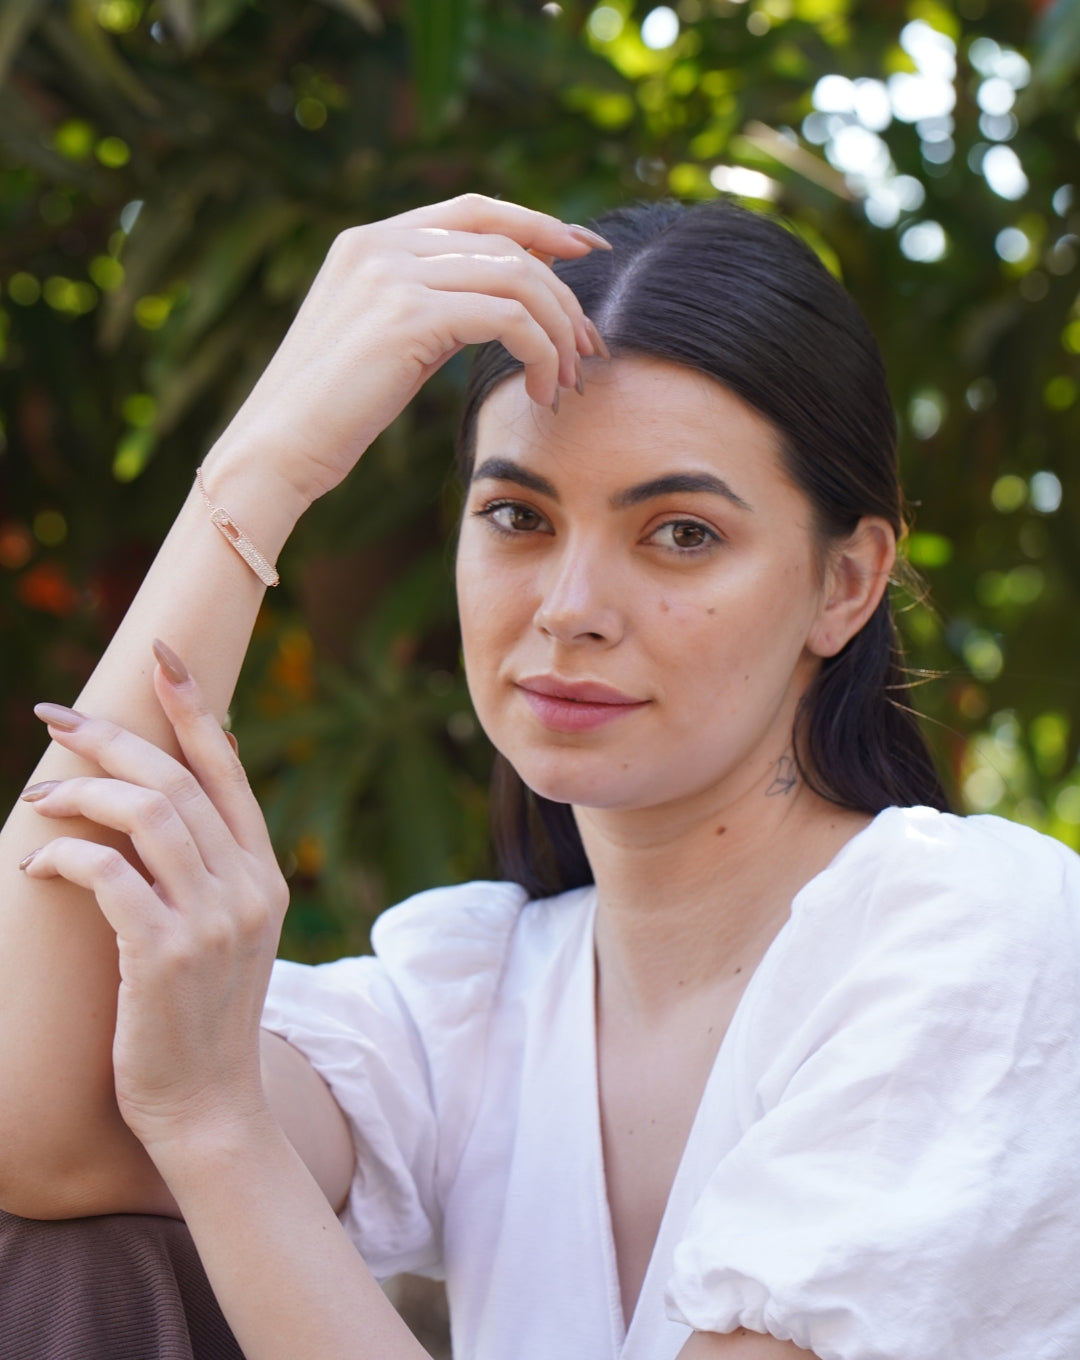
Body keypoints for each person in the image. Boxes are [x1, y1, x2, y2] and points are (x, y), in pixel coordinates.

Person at [1, 193, 1079, 1360]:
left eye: (681, 533)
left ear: (846, 584)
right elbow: (38, 1125)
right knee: (64, 1254)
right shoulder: (475, 998)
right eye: (517, 514)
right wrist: (260, 470)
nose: (570, 611)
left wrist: (221, 1126)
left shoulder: (975, 935)